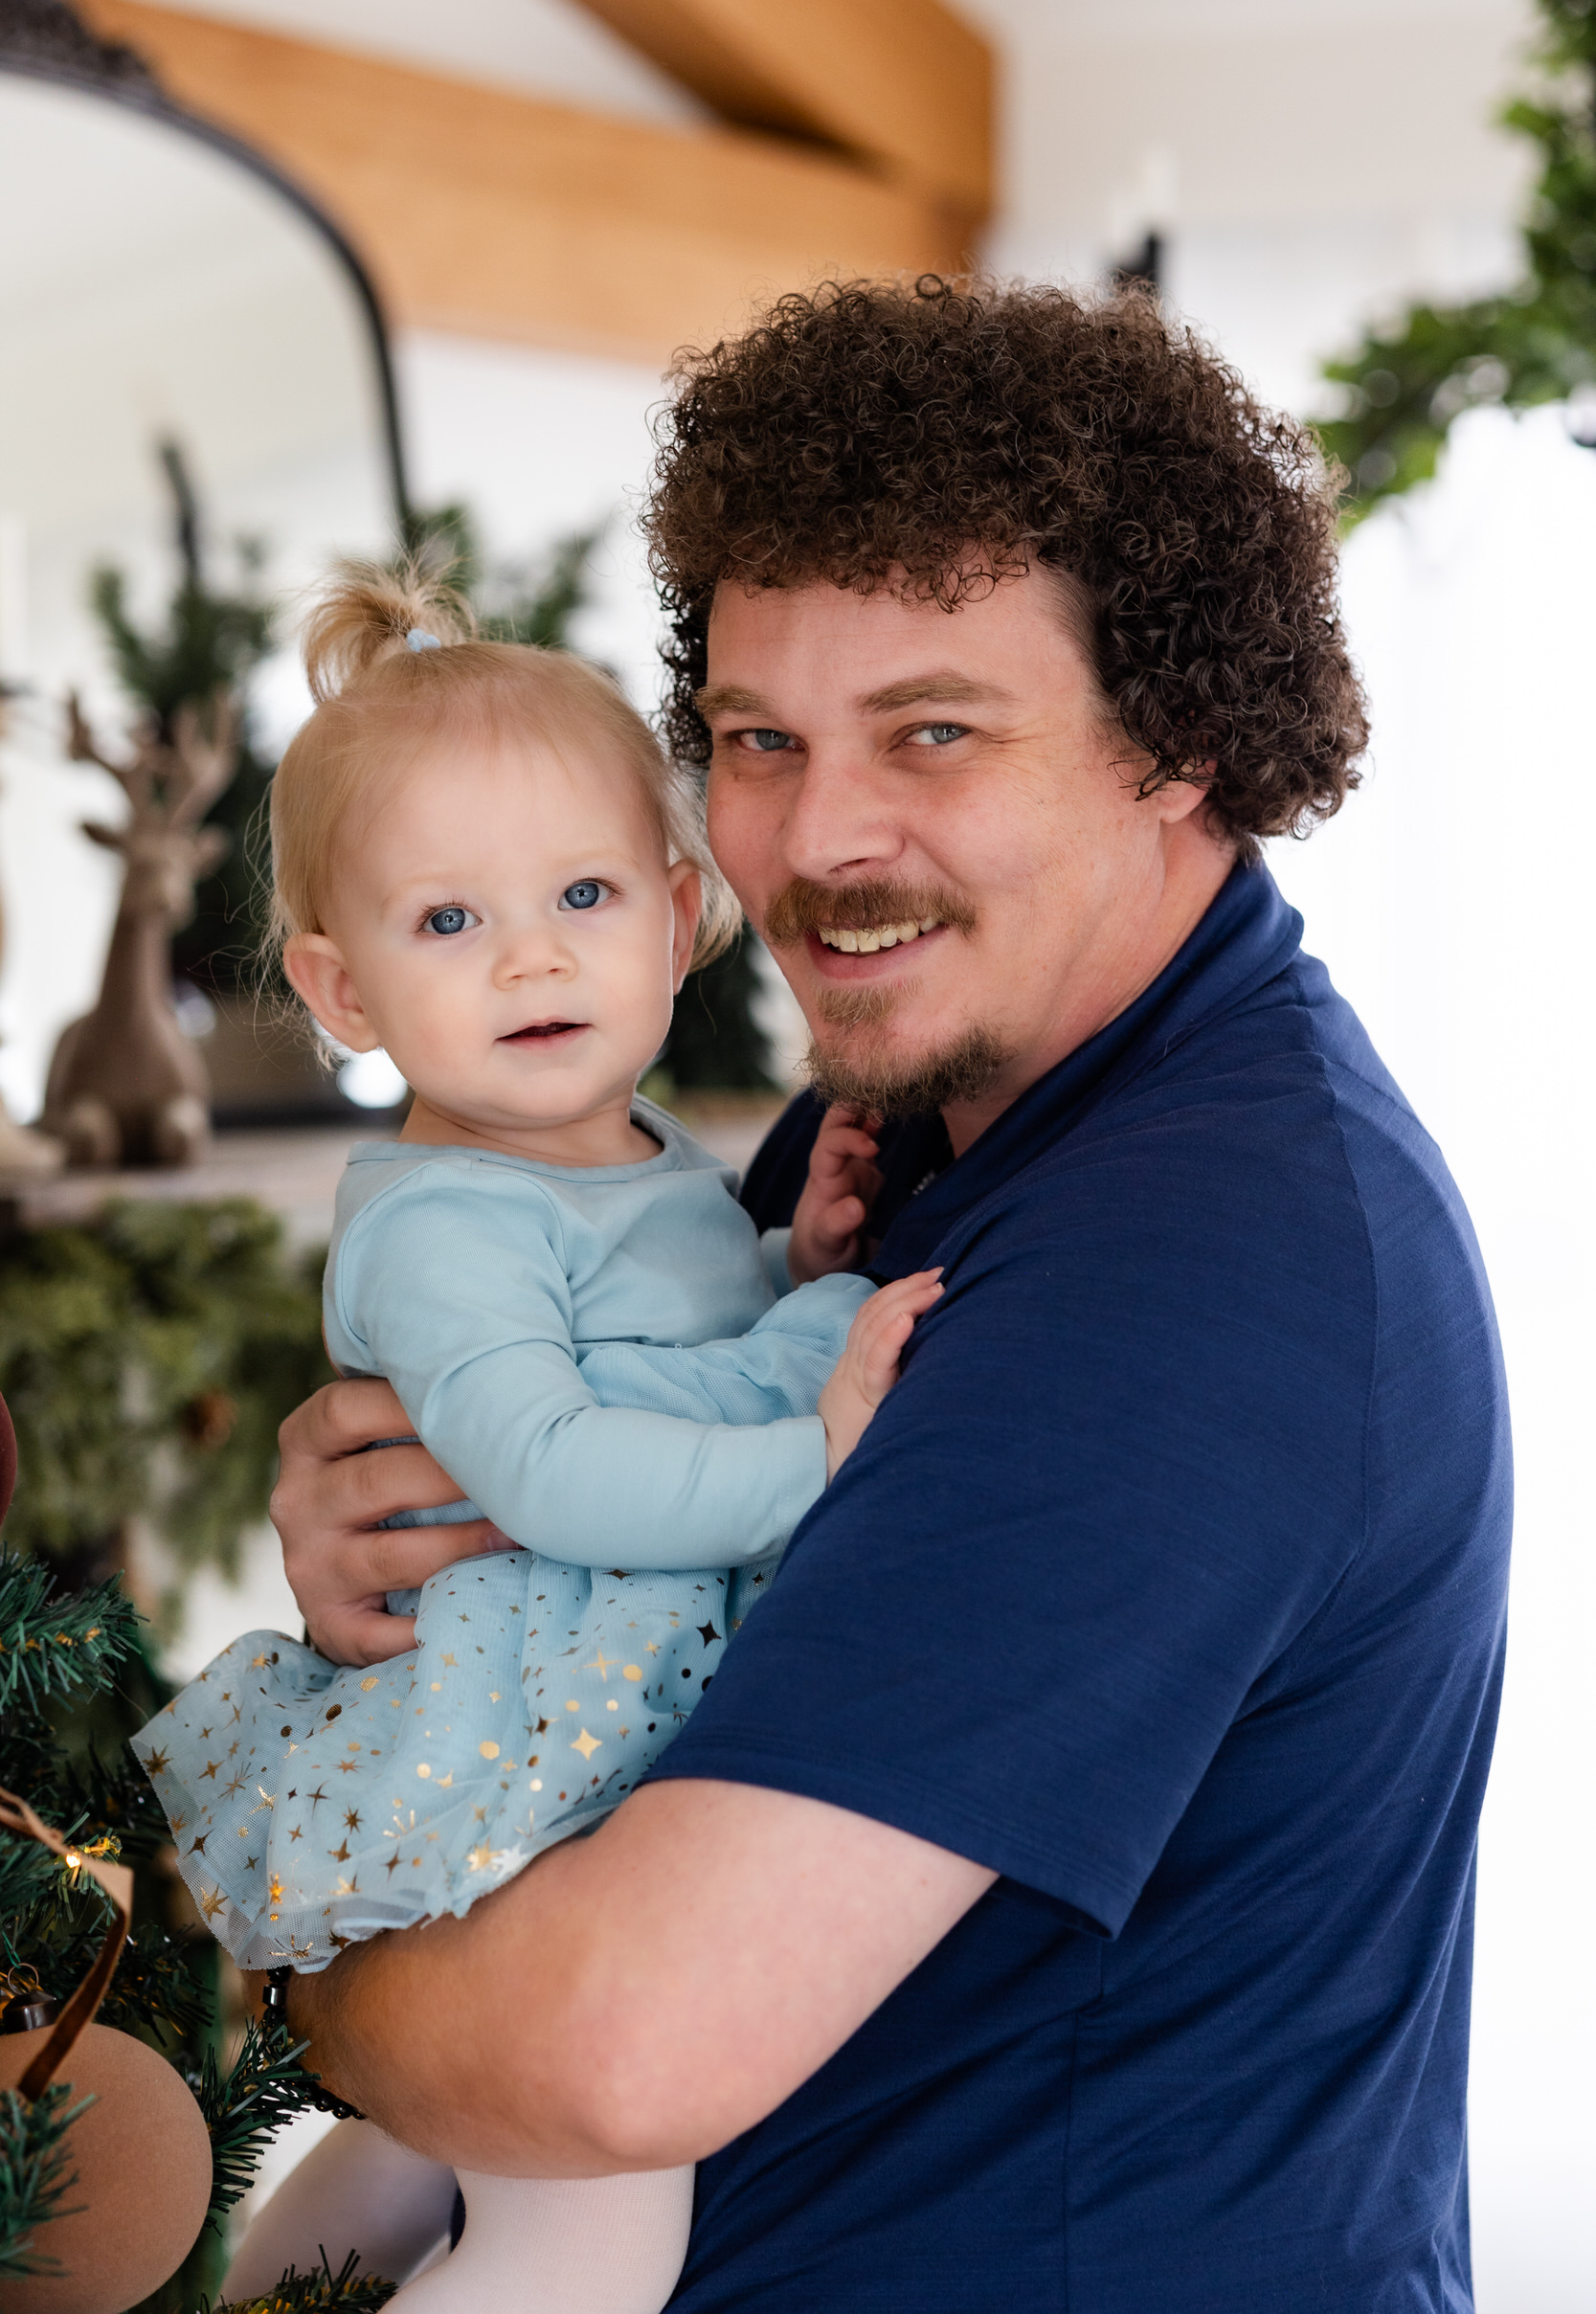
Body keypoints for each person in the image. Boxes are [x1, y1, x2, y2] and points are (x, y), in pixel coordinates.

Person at [264, 281, 1512, 2313]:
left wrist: (298, 1919)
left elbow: (611, 2045)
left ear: (1176, 736)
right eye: (761, 740)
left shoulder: (1193, 1270)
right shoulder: (921, 1123)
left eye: (933, 728)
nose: (821, 838)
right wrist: (392, 1531)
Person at [133, 566, 936, 2313]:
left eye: (581, 893)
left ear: (675, 913)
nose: (532, 954)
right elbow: (557, 1469)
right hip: (531, 1763)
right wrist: (821, 1442)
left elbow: (661, 1343)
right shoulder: (447, 1227)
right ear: (340, 993)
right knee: (592, 2231)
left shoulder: (628, 1152)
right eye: (448, 923)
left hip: (579, 1735)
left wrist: (786, 1271)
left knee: (434, 2146)